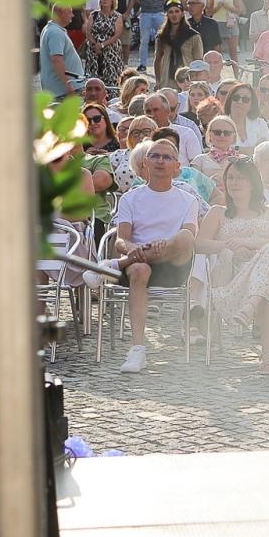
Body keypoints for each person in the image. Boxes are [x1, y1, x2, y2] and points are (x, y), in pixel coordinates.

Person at [85, 137, 200, 374]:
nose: (160, 161)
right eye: (155, 156)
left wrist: (163, 245)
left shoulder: (188, 200)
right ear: (145, 162)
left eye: (167, 157)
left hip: (173, 265)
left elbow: (189, 235)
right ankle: (138, 348)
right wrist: (132, 250)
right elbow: (120, 239)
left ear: (177, 166)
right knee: (139, 269)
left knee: (185, 237)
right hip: (136, 263)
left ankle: (113, 265)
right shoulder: (130, 198)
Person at [192, 157, 269, 372]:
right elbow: (200, 244)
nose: (234, 183)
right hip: (232, 273)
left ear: (254, 182)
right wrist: (230, 246)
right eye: (230, 178)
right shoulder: (217, 212)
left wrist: (250, 243)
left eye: (241, 178)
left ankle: (252, 306)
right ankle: (268, 358)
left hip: (266, 272)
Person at [151, 0, 203, 88]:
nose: (174, 15)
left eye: (177, 11)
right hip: (167, 79)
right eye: (170, 12)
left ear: (182, 13)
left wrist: (196, 81)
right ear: (167, 15)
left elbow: (198, 61)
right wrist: (158, 80)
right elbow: (157, 60)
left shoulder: (193, 36)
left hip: (187, 78)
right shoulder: (162, 37)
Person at [39, 3, 84, 98]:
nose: (73, 15)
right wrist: (68, 85)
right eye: (69, 12)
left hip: (59, 90)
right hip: (62, 91)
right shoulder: (55, 33)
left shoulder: (51, 29)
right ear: (60, 13)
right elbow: (57, 60)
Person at [144, 90, 202, 163]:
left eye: (156, 110)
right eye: (148, 111)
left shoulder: (186, 133)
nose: (152, 114)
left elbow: (197, 164)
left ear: (168, 111)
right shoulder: (142, 136)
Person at [132, 0, 169, 69]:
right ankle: (143, 64)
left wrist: (161, 4)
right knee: (144, 40)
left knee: (163, 38)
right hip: (146, 13)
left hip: (159, 12)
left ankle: (165, 62)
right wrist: (143, 3)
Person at [84, 0, 125, 85]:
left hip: (111, 50)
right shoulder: (94, 15)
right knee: (94, 78)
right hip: (94, 49)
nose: (104, 0)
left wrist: (102, 45)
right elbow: (88, 32)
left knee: (112, 77)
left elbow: (117, 35)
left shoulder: (117, 16)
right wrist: (95, 45)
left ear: (112, 1)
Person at [208, 0, 245, 65]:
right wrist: (218, 7)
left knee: (233, 53)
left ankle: (236, 75)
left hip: (231, 23)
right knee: (217, 53)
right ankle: (217, 75)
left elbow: (241, 10)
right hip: (216, 24)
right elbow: (208, 12)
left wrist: (228, 7)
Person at [224, 83, 269, 151]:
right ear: (230, 101)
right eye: (236, 97)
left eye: (245, 99)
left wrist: (234, 149)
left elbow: (267, 150)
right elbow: (219, 151)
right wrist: (252, 150)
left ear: (251, 105)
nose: (240, 102)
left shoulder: (260, 123)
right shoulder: (220, 123)